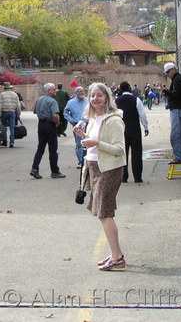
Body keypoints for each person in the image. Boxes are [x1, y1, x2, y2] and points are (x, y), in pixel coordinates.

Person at [75, 82, 126, 271]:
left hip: (109, 170)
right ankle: (115, 254)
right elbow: (94, 145)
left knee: (105, 213)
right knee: (102, 214)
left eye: (99, 95)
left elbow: (119, 149)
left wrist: (96, 142)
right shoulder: (94, 118)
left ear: (107, 97)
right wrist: (84, 137)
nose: (95, 99)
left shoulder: (113, 120)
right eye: (92, 95)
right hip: (95, 168)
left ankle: (117, 258)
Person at [115, 81, 149, 183]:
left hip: (122, 130)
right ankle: (137, 177)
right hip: (134, 129)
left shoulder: (116, 101)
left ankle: (123, 177)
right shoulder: (136, 100)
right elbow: (142, 115)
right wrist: (145, 127)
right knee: (137, 153)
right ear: (129, 88)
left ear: (120, 89)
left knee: (122, 154)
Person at [30, 83, 65, 179]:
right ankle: (55, 171)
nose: (55, 91)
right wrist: (57, 124)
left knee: (40, 148)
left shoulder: (39, 99)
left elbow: (34, 111)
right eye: (53, 89)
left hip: (41, 124)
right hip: (50, 125)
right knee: (53, 149)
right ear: (48, 90)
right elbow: (55, 115)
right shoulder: (52, 101)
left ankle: (34, 168)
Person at [162, 62, 181, 164]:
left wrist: (166, 91)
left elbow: (176, 95)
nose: (167, 75)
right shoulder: (177, 79)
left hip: (178, 111)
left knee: (175, 136)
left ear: (173, 70)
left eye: (168, 72)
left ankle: (179, 157)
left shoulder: (177, 80)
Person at [63, 86, 88, 169]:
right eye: (80, 91)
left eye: (83, 91)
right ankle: (81, 161)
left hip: (88, 123)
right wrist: (70, 120)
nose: (82, 93)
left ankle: (89, 160)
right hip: (77, 124)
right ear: (76, 93)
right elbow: (65, 113)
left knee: (89, 142)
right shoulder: (71, 102)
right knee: (79, 143)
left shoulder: (88, 101)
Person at [0, 81, 22, 148]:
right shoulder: (14, 94)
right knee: (12, 128)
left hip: (4, 112)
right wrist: (18, 114)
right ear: (10, 87)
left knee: (4, 128)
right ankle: (11, 143)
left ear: (4, 88)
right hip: (12, 112)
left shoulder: (2, 95)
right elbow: (18, 106)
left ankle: (4, 141)